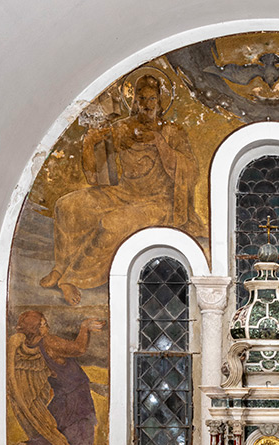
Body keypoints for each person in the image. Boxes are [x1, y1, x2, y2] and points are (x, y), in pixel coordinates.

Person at [40, 74, 203, 306]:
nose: (147, 104)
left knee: (112, 224)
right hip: (123, 193)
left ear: (160, 102)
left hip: (158, 202)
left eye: (152, 99)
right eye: (142, 98)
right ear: (134, 101)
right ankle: (60, 267)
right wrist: (89, 143)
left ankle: (72, 278)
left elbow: (191, 171)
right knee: (67, 205)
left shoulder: (172, 132)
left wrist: (159, 142)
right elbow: (95, 176)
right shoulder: (122, 128)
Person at [7, 310, 104, 445]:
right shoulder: (48, 342)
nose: (47, 326)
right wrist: (84, 328)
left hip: (59, 401)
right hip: (77, 402)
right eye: (43, 324)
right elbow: (79, 349)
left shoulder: (30, 348)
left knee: (54, 438)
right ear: (36, 329)